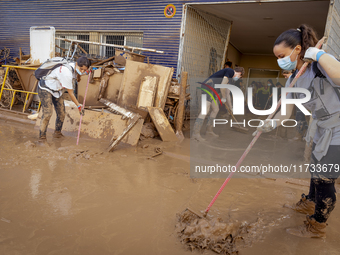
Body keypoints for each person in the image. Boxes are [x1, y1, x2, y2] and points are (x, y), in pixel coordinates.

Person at [257, 24, 340, 238]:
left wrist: (319, 54)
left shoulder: (319, 66)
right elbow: (285, 113)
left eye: (282, 55)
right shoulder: (293, 79)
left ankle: (317, 226)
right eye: (276, 57)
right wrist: (270, 124)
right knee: (315, 167)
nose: (279, 60)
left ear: (297, 50)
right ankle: (311, 202)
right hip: (322, 127)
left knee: (324, 176)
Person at [38, 56, 90, 141]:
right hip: (45, 88)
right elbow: (71, 94)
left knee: (61, 113)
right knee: (47, 114)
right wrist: (79, 106)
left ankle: (57, 133)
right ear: (76, 64)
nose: (82, 71)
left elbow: (78, 75)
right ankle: (42, 137)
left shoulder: (74, 69)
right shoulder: (67, 73)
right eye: (81, 69)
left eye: (84, 70)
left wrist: (83, 73)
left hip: (57, 91)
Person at [192, 66, 245, 141]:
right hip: (208, 86)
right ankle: (195, 133)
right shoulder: (230, 71)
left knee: (216, 109)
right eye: (239, 76)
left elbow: (227, 93)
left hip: (213, 90)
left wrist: (230, 107)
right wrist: (223, 98)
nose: (238, 78)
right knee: (205, 109)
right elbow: (222, 86)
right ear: (239, 73)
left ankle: (209, 130)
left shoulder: (230, 80)